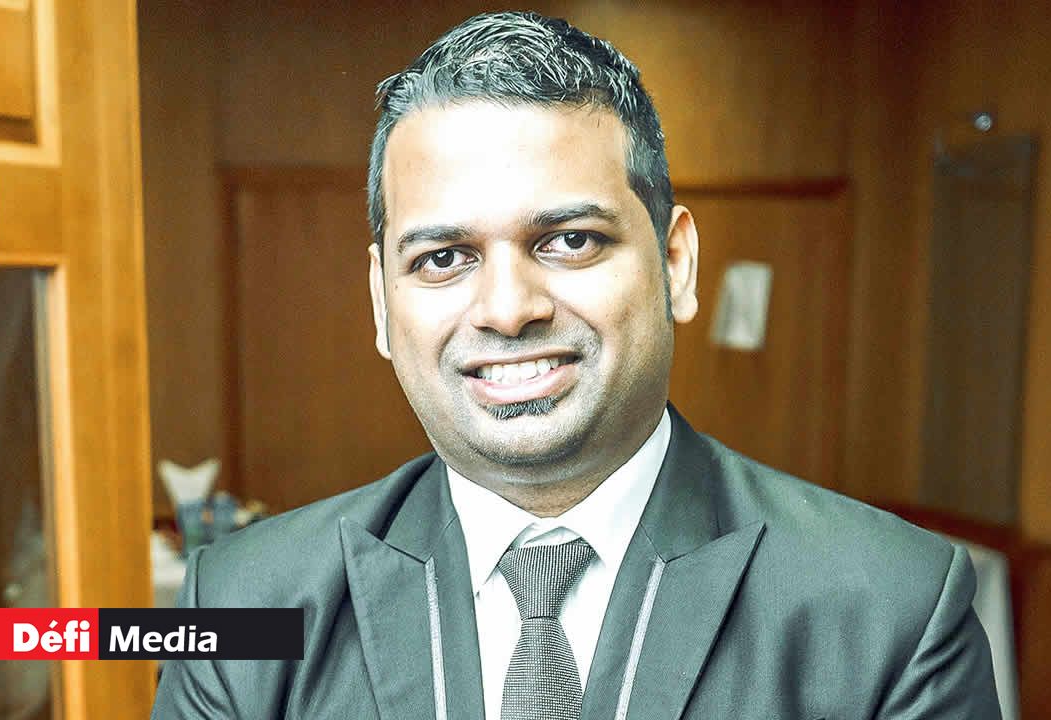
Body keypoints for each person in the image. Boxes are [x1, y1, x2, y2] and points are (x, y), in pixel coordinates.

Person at [152, 11, 1000, 719]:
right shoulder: (244, 610)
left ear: (676, 265)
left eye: (570, 241)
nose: (507, 308)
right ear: (381, 303)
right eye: (443, 258)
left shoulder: (889, 611)